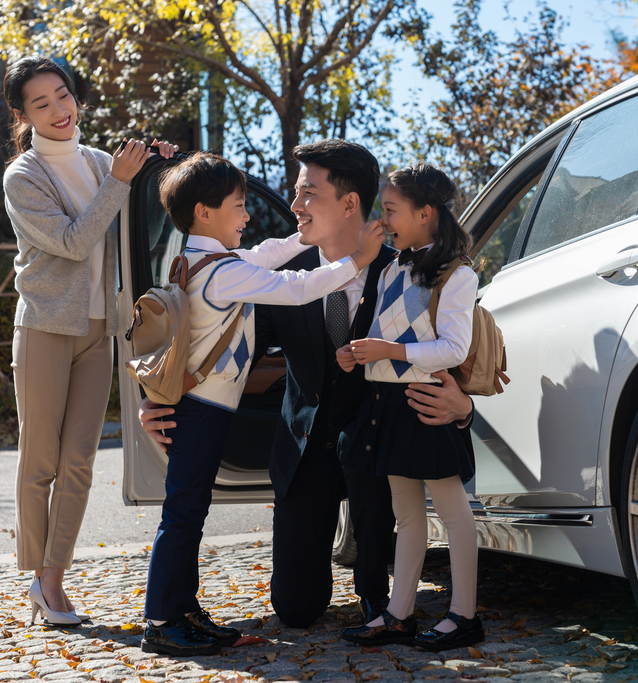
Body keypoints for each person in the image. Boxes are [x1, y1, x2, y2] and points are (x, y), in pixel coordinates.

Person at [140, 140, 476, 630]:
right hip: (304, 451)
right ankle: (175, 612)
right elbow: (199, 337)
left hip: (379, 447)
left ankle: (387, 599)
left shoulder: (408, 267)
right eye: (294, 195)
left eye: (307, 194)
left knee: (383, 577)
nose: (293, 206)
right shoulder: (273, 277)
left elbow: (462, 350)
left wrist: (462, 405)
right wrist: (158, 397)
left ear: (349, 204)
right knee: (295, 609)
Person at [138, 152, 385, 656]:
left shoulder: (207, 260)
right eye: (239, 205)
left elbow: (268, 254)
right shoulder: (222, 272)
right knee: (183, 514)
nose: (249, 215)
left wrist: (304, 239)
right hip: (204, 410)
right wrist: (355, 261)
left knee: (189, 510)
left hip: (226, 411)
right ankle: (163, 619)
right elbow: (293, 288)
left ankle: (182, 608)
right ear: (205, 212)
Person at [1, 56, 178, 626]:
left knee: (78, 462)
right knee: (41, 461)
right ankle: (36, 571)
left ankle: (53, 580)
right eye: (41, 103)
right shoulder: (23, 176)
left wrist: (155, 173)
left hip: (100, 330)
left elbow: (139, 229)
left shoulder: (104, 162)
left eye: (63, 96)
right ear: (24, 115)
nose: (58, 110)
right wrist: (122, 182)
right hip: (45, 328)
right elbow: (75, 243)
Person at [338, 163, 485, 651]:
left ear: (426, 214)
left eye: (392, 209)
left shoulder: (458, 273)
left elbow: (454, 349)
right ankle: (398, 614)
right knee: (406, 514)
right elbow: (387, 332)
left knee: (451, 510)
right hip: (390, 403)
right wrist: (357, 351)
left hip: (425, 404)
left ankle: (464, 615)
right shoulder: (393, 266)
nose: (385, 219)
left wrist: (389, 352)